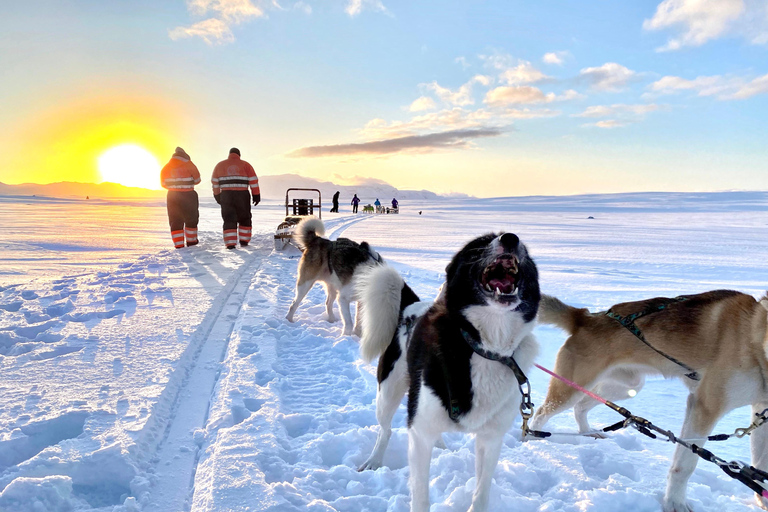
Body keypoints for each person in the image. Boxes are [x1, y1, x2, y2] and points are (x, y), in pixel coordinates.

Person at [212, 148, 260, 249]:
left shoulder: (220, 165)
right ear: (239, 155)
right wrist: (256, 195)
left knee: (229, 218)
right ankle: (244, 241)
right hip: (242, 195)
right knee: (245, 217)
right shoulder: (246, 165)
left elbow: (215, 182)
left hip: (226, 195)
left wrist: (217, 195)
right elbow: (253, 181)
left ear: (229, 154)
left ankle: (230, 243)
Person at [160, 147, 201, 249]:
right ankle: (192, 242)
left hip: (172, 196)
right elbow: (198, 180)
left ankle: (178, 245)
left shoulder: (166, 167)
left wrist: (174, 188)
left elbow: (163, 183)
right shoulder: (190, 164)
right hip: (189, 195)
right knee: (191, 218)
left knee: (175, 219)